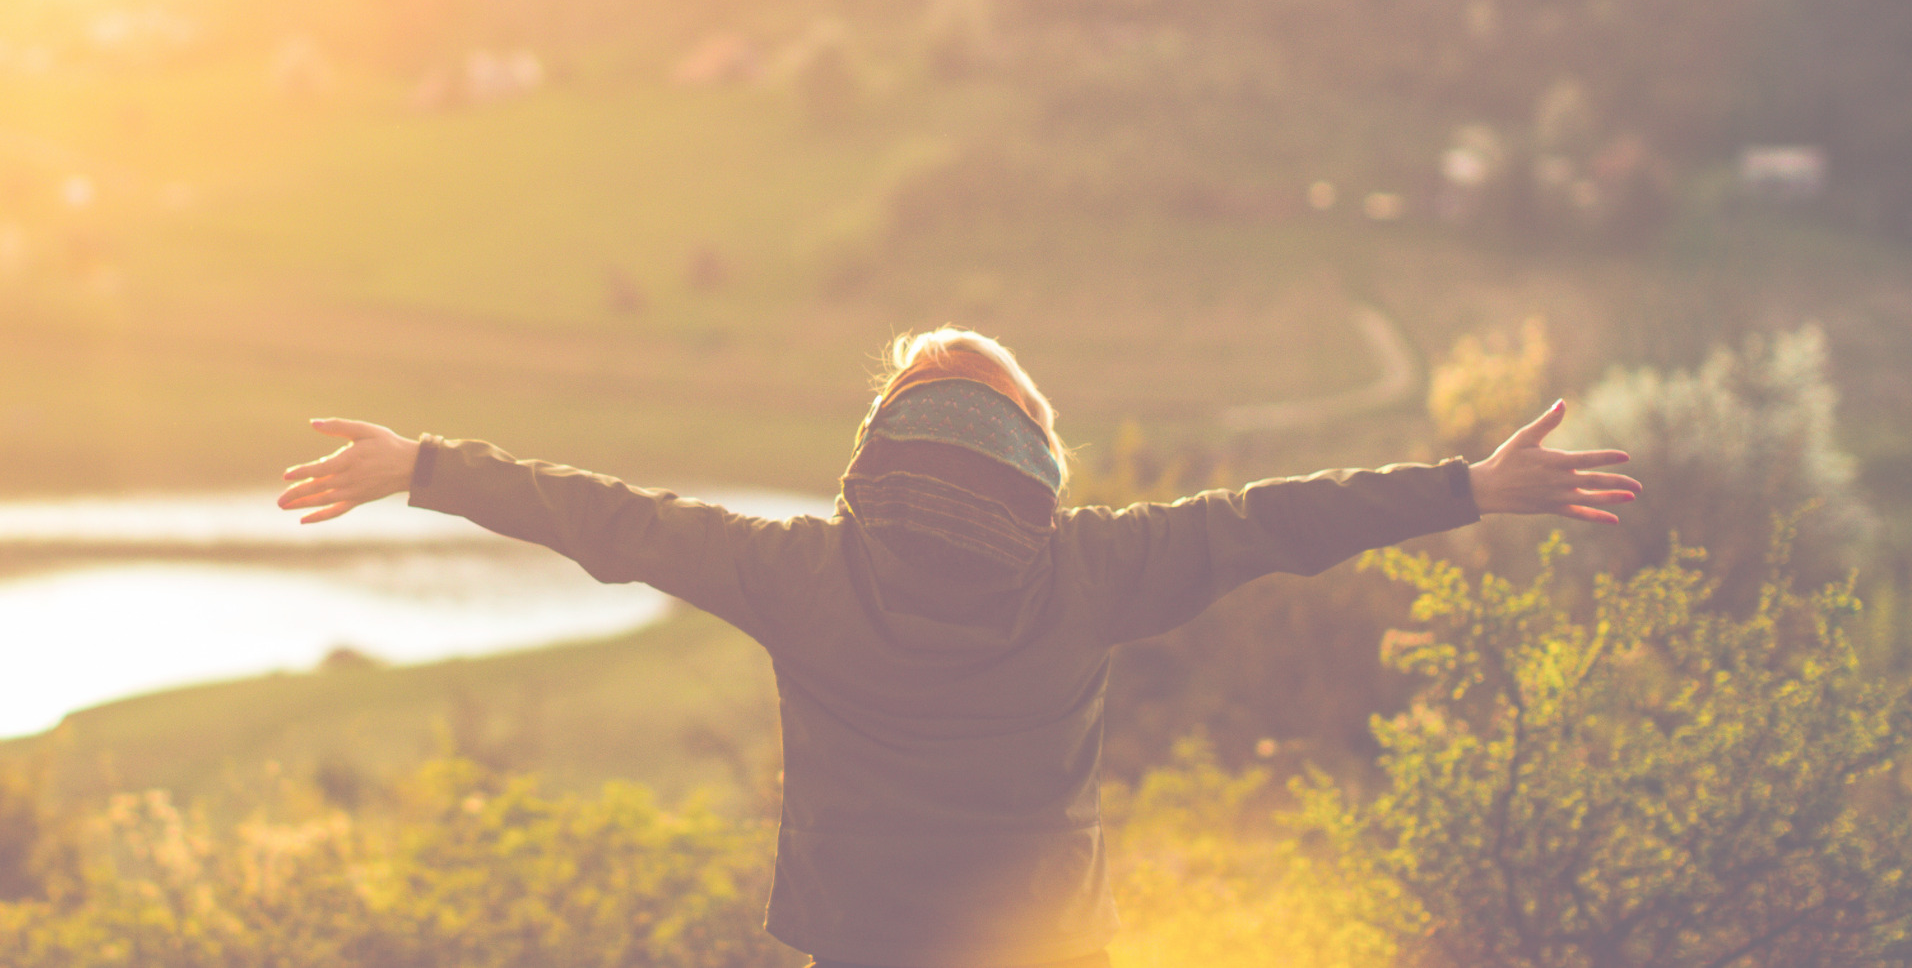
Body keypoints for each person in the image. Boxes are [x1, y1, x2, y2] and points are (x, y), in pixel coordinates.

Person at [277, 327, 1638, 968]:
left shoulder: (799, 576)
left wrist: (428, 467)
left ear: (879, 463)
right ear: (1032, 470)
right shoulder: (1093, 571)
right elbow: (1276, 523)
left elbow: (617, 521)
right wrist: (1470, 487)